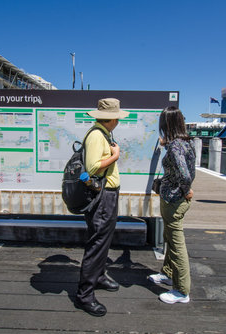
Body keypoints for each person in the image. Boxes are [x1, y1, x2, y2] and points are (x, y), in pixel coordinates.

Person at [74, 98, 129, 317]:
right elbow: (93, 167)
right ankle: (84, 295)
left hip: (107, 195)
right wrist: (115, 155)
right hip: (103, 196)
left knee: (103, 239)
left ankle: (98, 276)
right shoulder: (97, 136)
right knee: (97, 242)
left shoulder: (103, 133)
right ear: (112, 118)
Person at [148, 106, 196, 304]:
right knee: (168, 235)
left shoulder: (175, 146)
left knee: (176, 244)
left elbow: (184, 174)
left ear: (166, 124)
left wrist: (186, 190)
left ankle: (181, 290)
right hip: (176, 199)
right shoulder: (185, 142)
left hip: (174, 200)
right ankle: (168, 273)